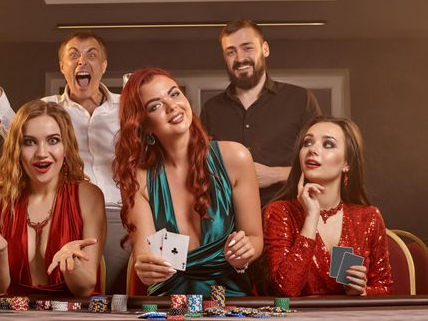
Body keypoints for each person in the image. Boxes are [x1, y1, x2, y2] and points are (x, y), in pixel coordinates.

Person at [0, 32, 128, 293]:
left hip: (120, 214)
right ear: (62, 67)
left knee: (118, 296)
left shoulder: (128, 107)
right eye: (73, 55)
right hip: (59, 208)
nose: (82, 61)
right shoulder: (48, 108)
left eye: (91, 55)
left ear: (103, 66)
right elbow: (16, 132)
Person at [113, 67, 263, 296]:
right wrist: (145, 269)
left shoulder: (236, 157)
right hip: (168, 302)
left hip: (229, 300)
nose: (172, 106)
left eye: (174, 94)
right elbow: (145, 257)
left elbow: (254, 238)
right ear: (144, 126)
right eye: (155, 106)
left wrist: (245, 250)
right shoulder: (139, 177)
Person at [0, 100, 106, 297]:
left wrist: (72, 263)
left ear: (66, 147)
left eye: (53, 140)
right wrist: (0, 253)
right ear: (16, 150)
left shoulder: (89, 196)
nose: (42, 153)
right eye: (29, 142)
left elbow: (84, 288)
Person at [263, 116, 392, 296]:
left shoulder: (369, 217)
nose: (312, 150)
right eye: (307, 143)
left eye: (328, 145)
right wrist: (311, 218)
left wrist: (362, 292)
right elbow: (285, 291)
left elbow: (384, 288)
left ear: (347, 163)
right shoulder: (279, 212)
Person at [200, 19, 321, 205]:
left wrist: (275, 174)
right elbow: (201, 169)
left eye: (247, 48)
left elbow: (324, 166)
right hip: (231, 228)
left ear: (265, 49)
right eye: (231, 52)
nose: (240, 58)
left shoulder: (300, 99)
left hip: (290, 220)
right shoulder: (211, 109)